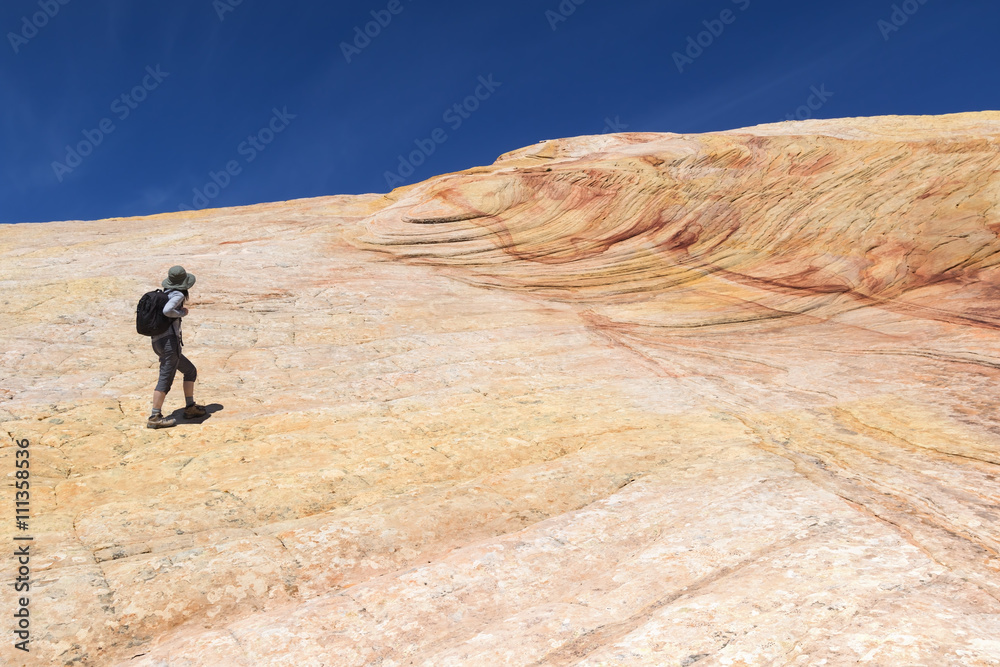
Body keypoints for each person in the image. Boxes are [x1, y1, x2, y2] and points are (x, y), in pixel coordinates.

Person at [147, 266, 207, 428]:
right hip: (168, 344)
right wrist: (182, 313)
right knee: (165, 379)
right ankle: (155, 417)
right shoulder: (177, 294)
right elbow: (168, 311)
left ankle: (190, 408)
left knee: (190, 371)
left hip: (158, 342)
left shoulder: (165, 293)